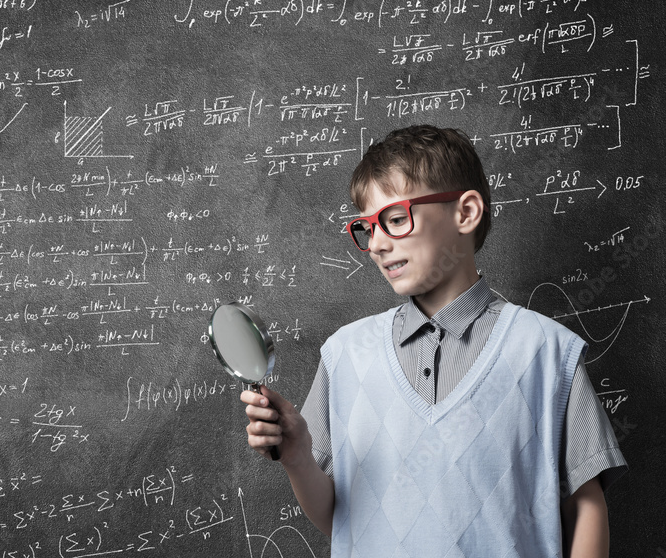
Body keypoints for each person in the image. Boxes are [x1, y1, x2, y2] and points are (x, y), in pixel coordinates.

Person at [242, 125, 626, 556]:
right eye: (368, 228)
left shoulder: (547, 352)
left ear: (465, 213)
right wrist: (297, 458)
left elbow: (586, 506)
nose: (378, 245)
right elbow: (339, 517)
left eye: (395, 218)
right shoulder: (345, 354)